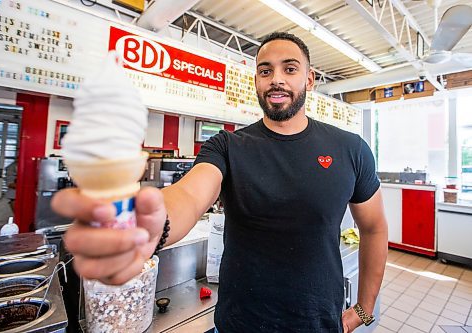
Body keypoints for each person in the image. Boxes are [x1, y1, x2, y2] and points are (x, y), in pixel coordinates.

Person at [52, 32, 388, 332]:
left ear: (310, 79)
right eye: (265, 70)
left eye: (289, 69)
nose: (276, 80)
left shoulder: (350, 148)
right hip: (239, 322)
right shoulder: (227, 146)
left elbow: (374, 227)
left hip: (319, 322)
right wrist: (153, 224)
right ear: (256, 79)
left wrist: (364, 307)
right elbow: (188, 195)